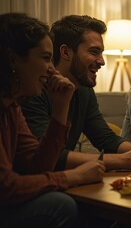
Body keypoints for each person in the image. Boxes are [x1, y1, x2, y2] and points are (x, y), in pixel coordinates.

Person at [20, 15, 131, 171]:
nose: (102, 61)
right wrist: (123, 160)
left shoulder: (84, 90)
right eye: (94, 52)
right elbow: (48, 157)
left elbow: (106, 139)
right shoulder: (33, 90)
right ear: (66, 52)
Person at [0, 13, 104, 228]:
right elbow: (7, 187)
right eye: (46, 58)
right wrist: (72, 177)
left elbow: (37, 167)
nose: (51, 68)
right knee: (59, 204)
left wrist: (60, 109)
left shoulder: (12, 105)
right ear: (12, 59)